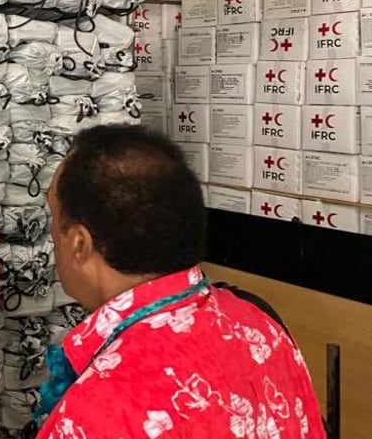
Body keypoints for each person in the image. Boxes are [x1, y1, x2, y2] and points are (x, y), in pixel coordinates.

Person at [35, 125, 326, 438]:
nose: (53, 236)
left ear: (80, 244)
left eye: (55, 219)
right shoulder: (260, 327)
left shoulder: (96, 408)